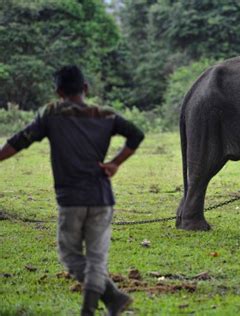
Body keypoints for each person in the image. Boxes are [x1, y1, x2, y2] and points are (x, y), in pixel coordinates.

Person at [0, 65, 144, 315]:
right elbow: (136, 134)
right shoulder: (105, 115)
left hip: (71, 199)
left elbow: (19, 141)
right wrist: (115, 163)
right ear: (85, 88)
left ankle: (104, 302)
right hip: (102, 198)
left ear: (58, 92)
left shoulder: (52, 114)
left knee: (70, 255)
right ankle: (110, 301)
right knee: (97, 258)